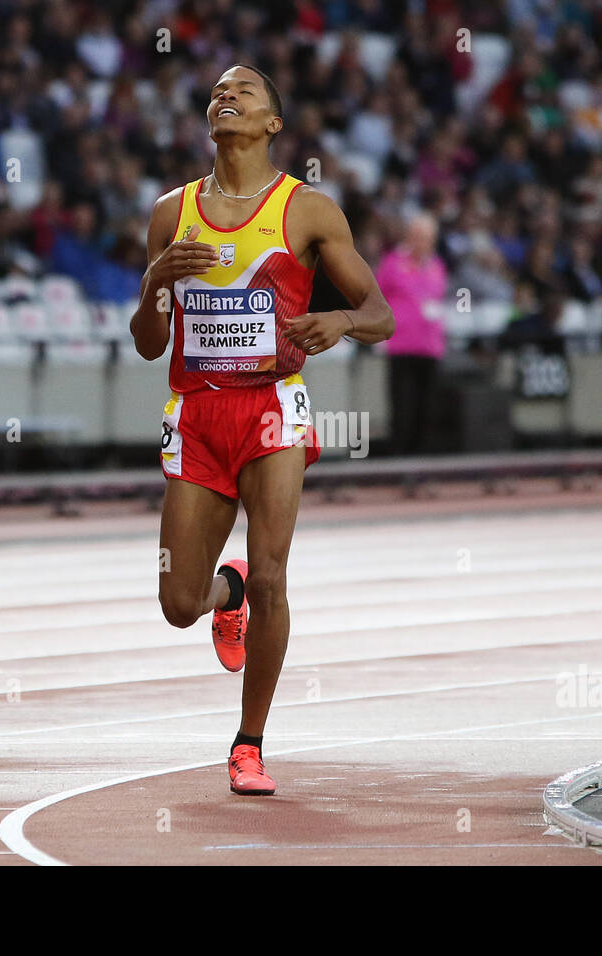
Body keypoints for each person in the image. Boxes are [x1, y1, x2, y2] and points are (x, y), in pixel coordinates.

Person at [129, 65, 393, 796]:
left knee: (275, 571)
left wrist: (340, 318)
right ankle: (227, 594)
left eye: (243, 92)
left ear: (273, 124)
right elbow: (148, 344)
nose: (225, 96)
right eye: (216, 91)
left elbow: (382, 315)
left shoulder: (305, 210)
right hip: (197, 411)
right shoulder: (170, 212)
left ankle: (250, 744)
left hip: (274, 406)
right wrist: (154, 283)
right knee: (179, 603)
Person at [377, 212, 446, 454]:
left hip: (430, 346)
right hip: (401, 346)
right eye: (419, 236)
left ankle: (424, 458)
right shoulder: (392, 262)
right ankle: (399, 459)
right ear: (409, 236)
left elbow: (439, 298)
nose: (423, 243)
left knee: (427, 407)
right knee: (402, 406)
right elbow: (377, 296)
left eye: (428, 238)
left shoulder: (436, 265)